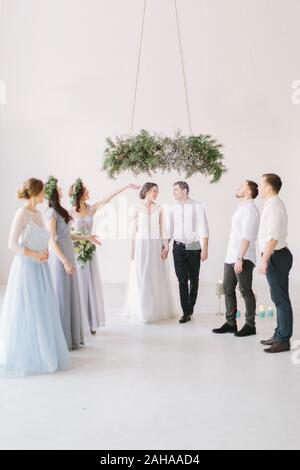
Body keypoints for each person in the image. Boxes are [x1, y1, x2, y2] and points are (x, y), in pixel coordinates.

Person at [0, 178, 70, 376]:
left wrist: (45, 252)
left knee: (42, 308)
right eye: (42, 192)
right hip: (26, 267)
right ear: (35, 193)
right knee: (26, 308)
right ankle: (28, 353)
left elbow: (42, 238)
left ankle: (44, 351)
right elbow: (12, 244)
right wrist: (34, 254)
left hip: (41, 267)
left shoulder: (39, 214)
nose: (44, 195)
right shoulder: (21, 214)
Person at [70, 179, 140, 333]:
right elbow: (67, 234)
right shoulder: (70, 212)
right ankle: (78, 322)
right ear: (80, 194)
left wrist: (126, 186)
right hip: (77, 252)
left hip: (90, 251)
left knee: (90, 286)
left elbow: (108, 198)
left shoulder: (91, 208)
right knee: (80, 285)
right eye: (86, 191)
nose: (89, 192)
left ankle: (89, 321)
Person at [45, 176, 100, 349]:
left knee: (70, 294)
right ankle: (62, 338)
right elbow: (52, 240)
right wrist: (65, 262)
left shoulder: (60, 210)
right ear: (54, 191)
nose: (62, 189)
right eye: (59, 188)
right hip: (61, 257)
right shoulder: (51, 213)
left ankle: (72, 336)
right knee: (61, 294)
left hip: (69, 253)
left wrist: (86, 237)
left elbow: (68, 234)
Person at [212, 180, 260, 336]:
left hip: (243, 256)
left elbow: (247, 237)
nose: (237, 188)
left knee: (245, 290)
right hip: (231, 255)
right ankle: (231, 323)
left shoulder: (251, 210)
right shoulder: (242, 207)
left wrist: (239, 258)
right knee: (227, 288)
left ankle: (250, 325)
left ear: (248, 192)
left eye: (241, 187)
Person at [125, 182, 176, 323]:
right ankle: (142, 310)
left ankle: (154, 309)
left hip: (155, 244)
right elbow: (133, 231)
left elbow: (163, 230)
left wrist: (166, 247)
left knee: (154, 275)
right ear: (146, 191)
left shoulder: (159, 208)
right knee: (142, 274)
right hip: (141, 244)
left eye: (157, 191)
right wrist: (132, 249)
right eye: (154, 191)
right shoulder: (136, 207)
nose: (156, 194)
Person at [258, 174, 293, 353]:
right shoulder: (271, 204)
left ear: (269, 187)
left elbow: (273, 237)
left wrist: (264, 260)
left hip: (277, 256)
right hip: (275, 256)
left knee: (281, 300)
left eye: (262, 184)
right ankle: (279, 334)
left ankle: (283, 340)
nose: (259, 187)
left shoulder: (274, 206)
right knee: (278, 298)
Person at [165, 181, 209, 324]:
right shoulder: (172, 208)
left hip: (194, 246)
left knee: (194, 278)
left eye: (176, 190)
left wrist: (205, 249)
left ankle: (191, 306)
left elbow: (204, 228)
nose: (174, 192)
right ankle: (186, 312)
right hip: (178, 247)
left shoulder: (197, 206)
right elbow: (169, 230)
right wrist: (165, 246)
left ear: (185, 190)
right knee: (182, 280)